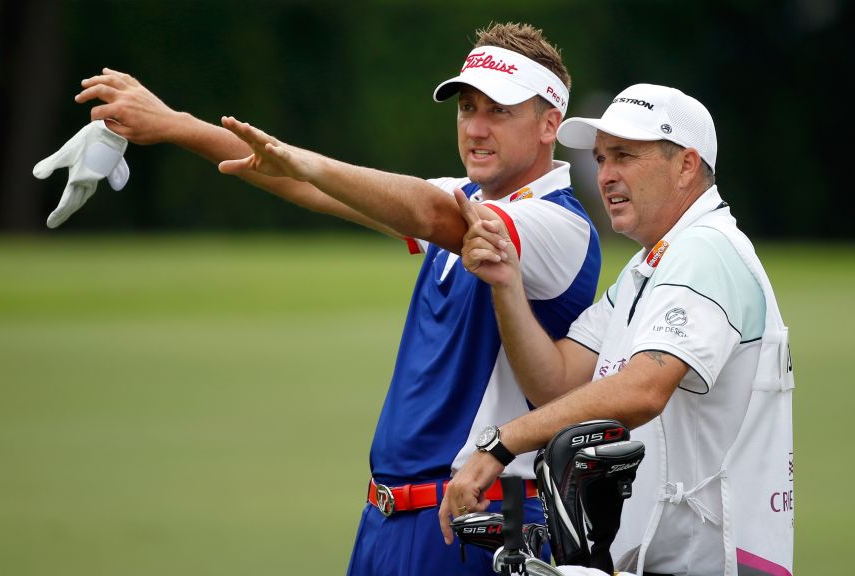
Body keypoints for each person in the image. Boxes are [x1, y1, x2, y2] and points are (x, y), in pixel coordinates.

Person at [71, 23, 602, 576]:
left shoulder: (558, 224)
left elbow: (427, 211)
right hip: (393, 514)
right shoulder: (463, 196)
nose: (476, 128)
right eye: (468, 108)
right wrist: (172, 124)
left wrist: (310, 163)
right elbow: (303, 183)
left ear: (549, 125)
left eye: (499, 111)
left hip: (484, 515)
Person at [445, 83, 794, 576]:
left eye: (624, 156)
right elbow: (556, 382)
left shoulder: (704, 253)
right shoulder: (647, 268)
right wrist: (507, 283)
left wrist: (502, 443)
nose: (605, 175)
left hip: (714, 563)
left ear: (686, 166)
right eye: (601, 159)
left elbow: (644, 389)